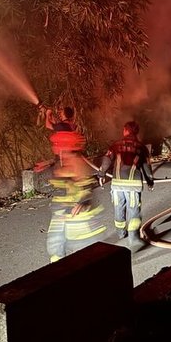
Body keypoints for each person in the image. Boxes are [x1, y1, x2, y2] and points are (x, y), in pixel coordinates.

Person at [40, 105, 106, 262]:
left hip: (78, 225)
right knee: (57, 247)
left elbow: (49, 125)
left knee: (73, 250)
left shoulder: (72, 159)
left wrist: (47, 113)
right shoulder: (71, 127)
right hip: (64, 213)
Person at [97, 121, 155, 252]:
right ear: (136, 132)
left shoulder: (115, 145)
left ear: (125, 131)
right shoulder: (142, 148)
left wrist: (101, 175)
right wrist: (150, 181)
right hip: (133, 185)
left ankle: (121, 233)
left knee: (119, 208)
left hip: (117, 184)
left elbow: (106, 160)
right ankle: (133, 237)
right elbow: (147, 167)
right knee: (133, 210)